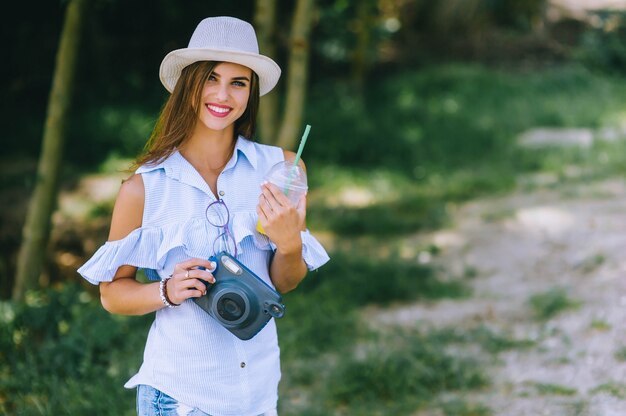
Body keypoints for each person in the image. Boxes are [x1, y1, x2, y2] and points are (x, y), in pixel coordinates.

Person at [78, 16, 330, 416]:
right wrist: (166, 291)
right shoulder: (144, 189)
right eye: (211, 78)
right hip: (179, 398)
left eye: (238, 82)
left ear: (251, 93)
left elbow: (284, 282)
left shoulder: (282, 170)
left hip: (258, 395)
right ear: (188, 84)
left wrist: (290, 243)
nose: (223, 95)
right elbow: (112, 294)